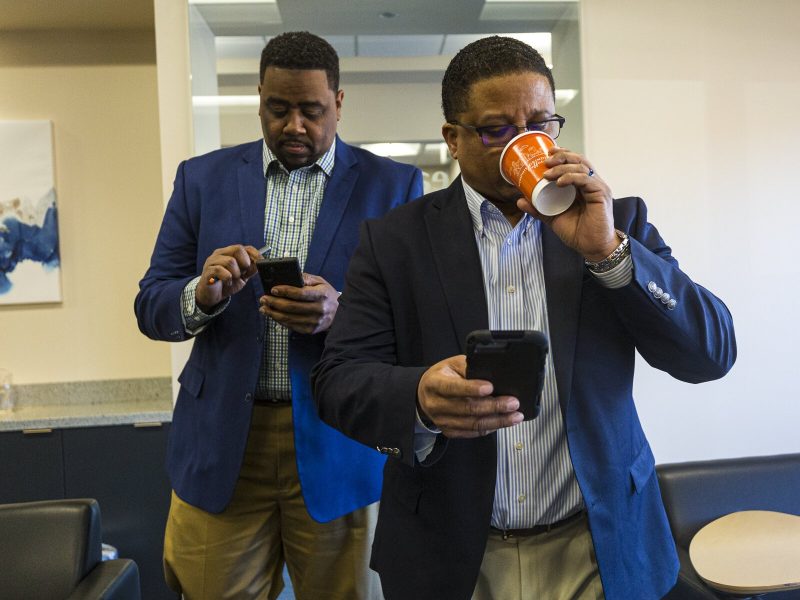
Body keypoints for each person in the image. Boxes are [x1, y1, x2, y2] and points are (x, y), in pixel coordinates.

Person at [312, 35, 736, 600]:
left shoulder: (616, 223)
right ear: (453, 139)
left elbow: (711, 354)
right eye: (497, 129)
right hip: (452, 551)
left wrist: (608, 253)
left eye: (540, 124)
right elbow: (338, 380)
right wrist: (418, 398)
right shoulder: (395, 241)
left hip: (598, 544)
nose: (525, 142)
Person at [135, 31, 423, 600]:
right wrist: (202, 294)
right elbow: (151, 304)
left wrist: (341, 313)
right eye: (278, 108)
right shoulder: (202, 179)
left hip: (340, 443)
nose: (294, 125)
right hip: (222, 444)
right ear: (259, 98)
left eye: (311, 111)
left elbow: (417, 320)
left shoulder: (393, 186)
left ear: (338, 103)